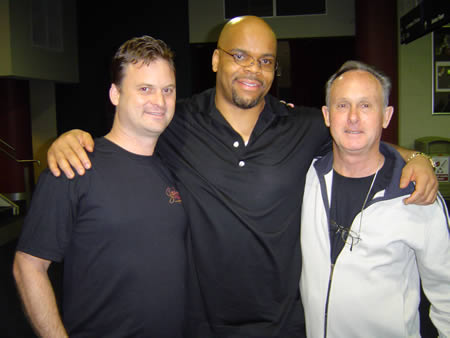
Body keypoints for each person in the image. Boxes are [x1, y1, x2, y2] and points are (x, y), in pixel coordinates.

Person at [45, 16, 438, 337]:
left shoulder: (301, 125)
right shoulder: (175, 120)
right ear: (216, 60)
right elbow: (127, 133)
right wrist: (72, 138)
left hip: (285, 326)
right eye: (240, 55)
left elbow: (359, 137)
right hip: (200, 326)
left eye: (266, 60)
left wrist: (416, 157)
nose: (254, 69)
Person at [13, 36, 187, 337]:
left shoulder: (172, 167)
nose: (159, 101)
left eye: (167, 90)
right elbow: (28, 266)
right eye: (144, 88)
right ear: (115, 94)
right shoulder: (74, 166)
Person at [300, 60, 450, 337]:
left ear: (386, 115)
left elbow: (447, 293)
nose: (353, 117)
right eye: (342, 105)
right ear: (326, 115)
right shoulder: (306, 178)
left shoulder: (416, 194)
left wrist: (419, 158)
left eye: (366, 105)